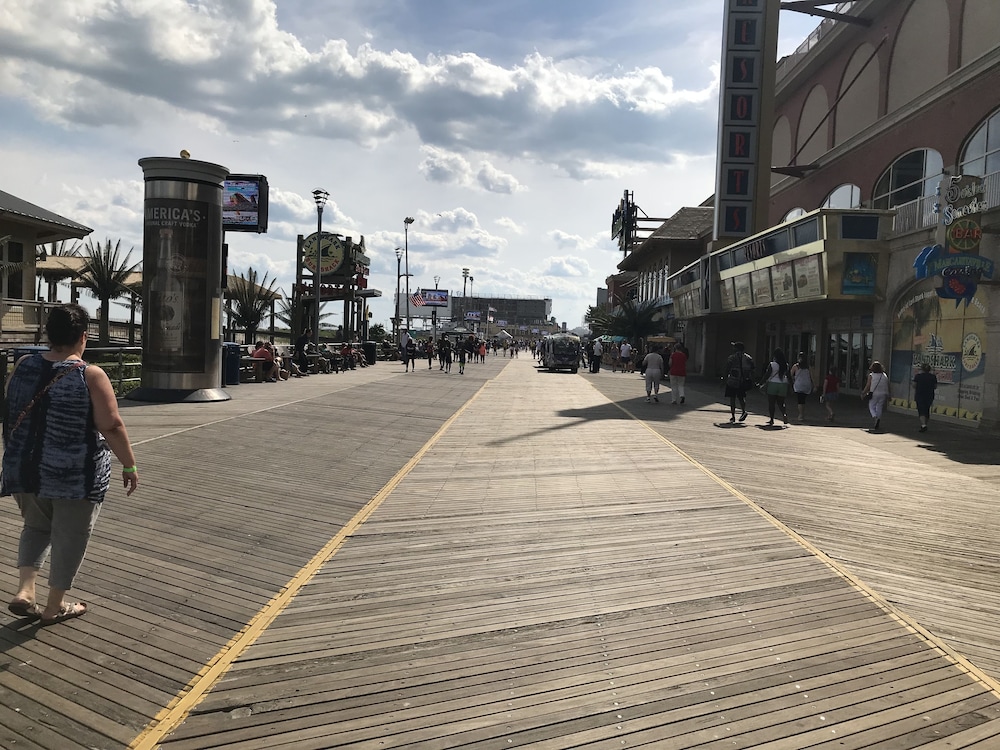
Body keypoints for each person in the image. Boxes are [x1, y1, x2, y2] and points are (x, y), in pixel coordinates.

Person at [2, 304, 138, 626]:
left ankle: (25, 591)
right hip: (74, 475)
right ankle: (54, 607)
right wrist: (129, 465)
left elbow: (10, 405)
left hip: (25, 468)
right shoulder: (90, 374)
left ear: (48, 335)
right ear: (83, 337)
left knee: (36, 527)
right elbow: (111, 425)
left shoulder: (23, 365)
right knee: (70, 536)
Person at [723, 341, 754, 422]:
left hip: (733, 380)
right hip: (743, 380)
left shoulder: (732, 357)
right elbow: (752, 369)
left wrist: (724, 378)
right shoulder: (748, 358)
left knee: (732, 398)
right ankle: (743, 411)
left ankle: (733, 416)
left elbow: (727, 368)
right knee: (741, 397)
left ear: (736, 348)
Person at [761, 347, 791, 426]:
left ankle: (771, 419)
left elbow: (767, 374)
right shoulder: (786, 365)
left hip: (773, 384)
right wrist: (791, 385)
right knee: (781, 402)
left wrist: (761, 382)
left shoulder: (772, 364)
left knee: (771, 403)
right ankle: (784, 414)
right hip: (783, 384)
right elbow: (789, 376)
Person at [862, 360, 891, 432]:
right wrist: (889, 394)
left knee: (871, 405)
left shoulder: (871, 375)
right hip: (883, 393)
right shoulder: (884, 375)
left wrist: (863, 392)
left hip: (874, 393)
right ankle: (878, 418)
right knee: (879, 407)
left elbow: (868, 385)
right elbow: (888, 385)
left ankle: (875, 417)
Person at [913, 362, 938, 432]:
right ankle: (924, 424)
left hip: (920, 395)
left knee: (921, 410)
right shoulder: (933, 377)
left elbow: (914, 385)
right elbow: (935, 386)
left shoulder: (918, 376)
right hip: (929, 395)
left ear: (922, 369)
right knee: (927, 410)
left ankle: (923, 425)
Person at [789, 352, 815, 421]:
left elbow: (790, 375)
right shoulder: (808, 367)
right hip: (807, 385)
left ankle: (800, 415)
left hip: (799, 385)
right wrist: (814, 385)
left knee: (800, 401)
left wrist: (792, 381)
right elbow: (812, 377)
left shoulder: (796, 366)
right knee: (803, 400)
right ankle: (802, 414)